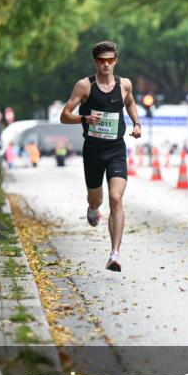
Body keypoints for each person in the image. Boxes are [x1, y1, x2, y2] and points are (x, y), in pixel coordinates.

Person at [60, 40, 142, 272]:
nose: (106, 65)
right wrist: (84, 119)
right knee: (96, 199)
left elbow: (130, 102)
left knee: (116, 198)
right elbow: (64, 115)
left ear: (116, 60)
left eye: (110, 60)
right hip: (93, 151)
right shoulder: (84, 86)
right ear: (95, 62)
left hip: (116, 149)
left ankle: (114, 254)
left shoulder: (124, 84)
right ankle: (93, 208)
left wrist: (136, 123)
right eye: (101, 61)